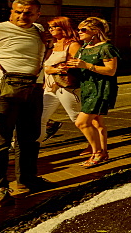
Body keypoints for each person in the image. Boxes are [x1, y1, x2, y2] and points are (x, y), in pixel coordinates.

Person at [0, 0, 52, 206]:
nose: (22, 16)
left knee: (30, 138)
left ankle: (27, 180)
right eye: (18, 12)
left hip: (33, 88)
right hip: (3, 87)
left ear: (37, 14)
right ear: (11, 11)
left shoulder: (39, 30)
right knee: (1, 141)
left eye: (28, 13)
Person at [66, 17, 119, 168]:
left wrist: (86, 65)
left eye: (83, 30)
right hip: (87, 87)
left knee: (81, 122)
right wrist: (69, 67)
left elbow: (111, 70)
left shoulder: (106, 48)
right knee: (97, 123)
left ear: (96, 32)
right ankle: (104, 152)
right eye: (78, 29)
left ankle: (97, 153)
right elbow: (79, 65)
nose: (79, 32)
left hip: (101, 89)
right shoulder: (84, 47)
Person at [40, 16, 82, 143]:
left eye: (54, 27)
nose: (51, 30)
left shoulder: (73, 45)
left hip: (65, 87)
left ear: (64, 28)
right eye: (50, 27)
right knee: (41, 118)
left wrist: (53, 70)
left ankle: (97, 144)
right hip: (50, 87)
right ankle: (34, 146)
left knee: (77, 118)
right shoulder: (51, 44)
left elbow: (77, 66)